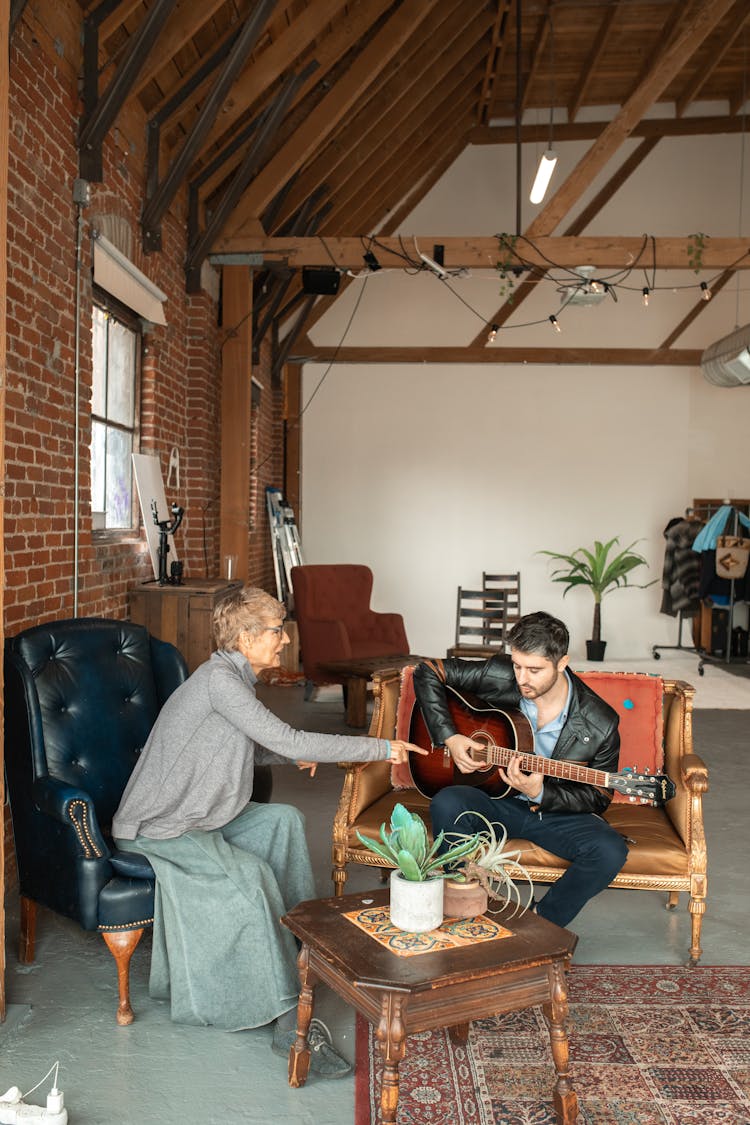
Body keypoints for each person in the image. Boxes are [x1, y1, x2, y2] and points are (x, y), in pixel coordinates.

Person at [112, 586, 426, 1078]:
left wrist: (286, 752)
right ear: (245, 638)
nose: (284, 640)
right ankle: (288, 1023)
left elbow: (248, 743)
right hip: (163, 825)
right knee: (251, 875)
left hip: (204, 815)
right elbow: (283, 735)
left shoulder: (233, 678)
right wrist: (383, 748)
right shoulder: (220, 681)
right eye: (277, 631)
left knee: (284, 820)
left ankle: (303, 952)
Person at [412, 611, 627, 929]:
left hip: (553, 811)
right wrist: (450, 736)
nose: (522, 678)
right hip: (496, 799)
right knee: (448, 801)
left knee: (610, 851)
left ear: (562, 662)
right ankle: (464, 901)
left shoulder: (600, 723)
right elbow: (427, 670)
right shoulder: (500, 673)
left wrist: (540, 791)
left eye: (535, 670)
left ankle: (539, 924)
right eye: (517, 665)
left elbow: (597, 796)